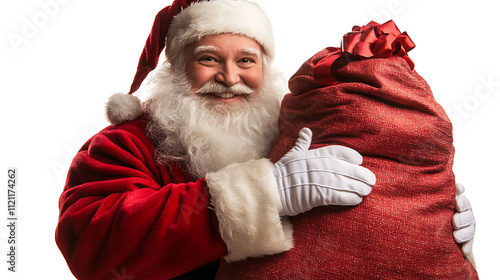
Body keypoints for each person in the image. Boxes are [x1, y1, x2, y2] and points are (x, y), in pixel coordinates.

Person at [55, 0, 475, 279]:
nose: (230, 77)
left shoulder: (293, 128)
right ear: (178, 69)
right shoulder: (125, 143)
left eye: (246, 61)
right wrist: (261, 194)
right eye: (207, 59)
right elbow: (92, 241)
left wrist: (432, 219)